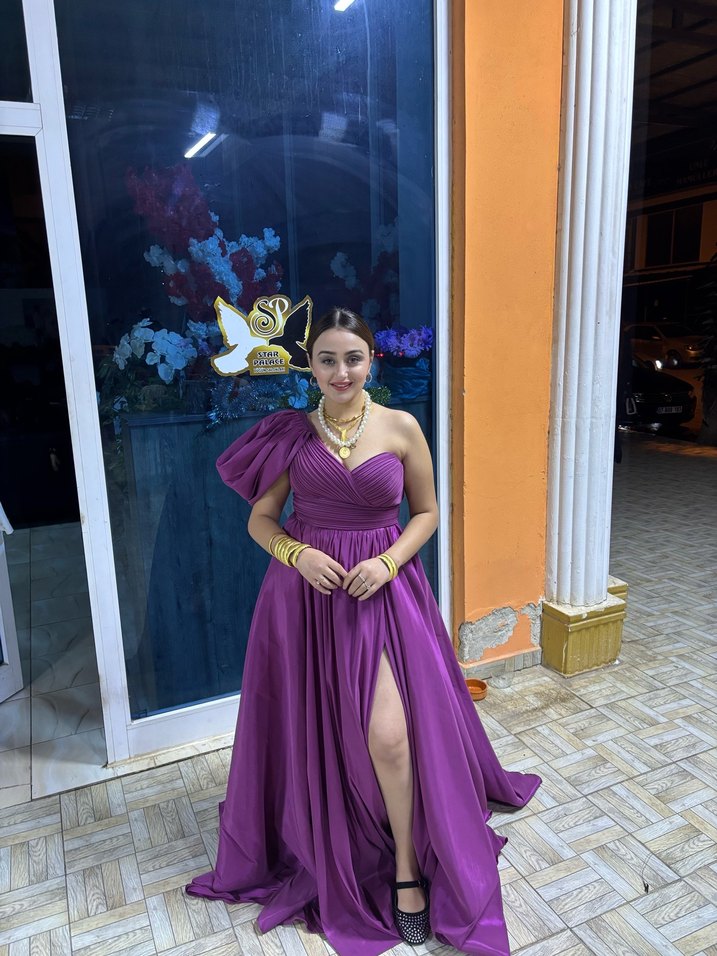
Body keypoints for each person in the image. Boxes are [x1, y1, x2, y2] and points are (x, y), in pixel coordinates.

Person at [186, 307, 541, 955]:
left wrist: (387, 561)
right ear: (310, 366)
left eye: (353, 358)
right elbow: (261, 520)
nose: (341, 371)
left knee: (389, 736)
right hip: (307, 598)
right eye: (327, 359)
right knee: (321, 727)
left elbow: (426, 512)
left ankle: (406, 867)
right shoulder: (291, 435)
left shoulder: (401, 426)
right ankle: (337, 831)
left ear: (371, 361)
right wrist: (295, 553)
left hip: (382, 591)